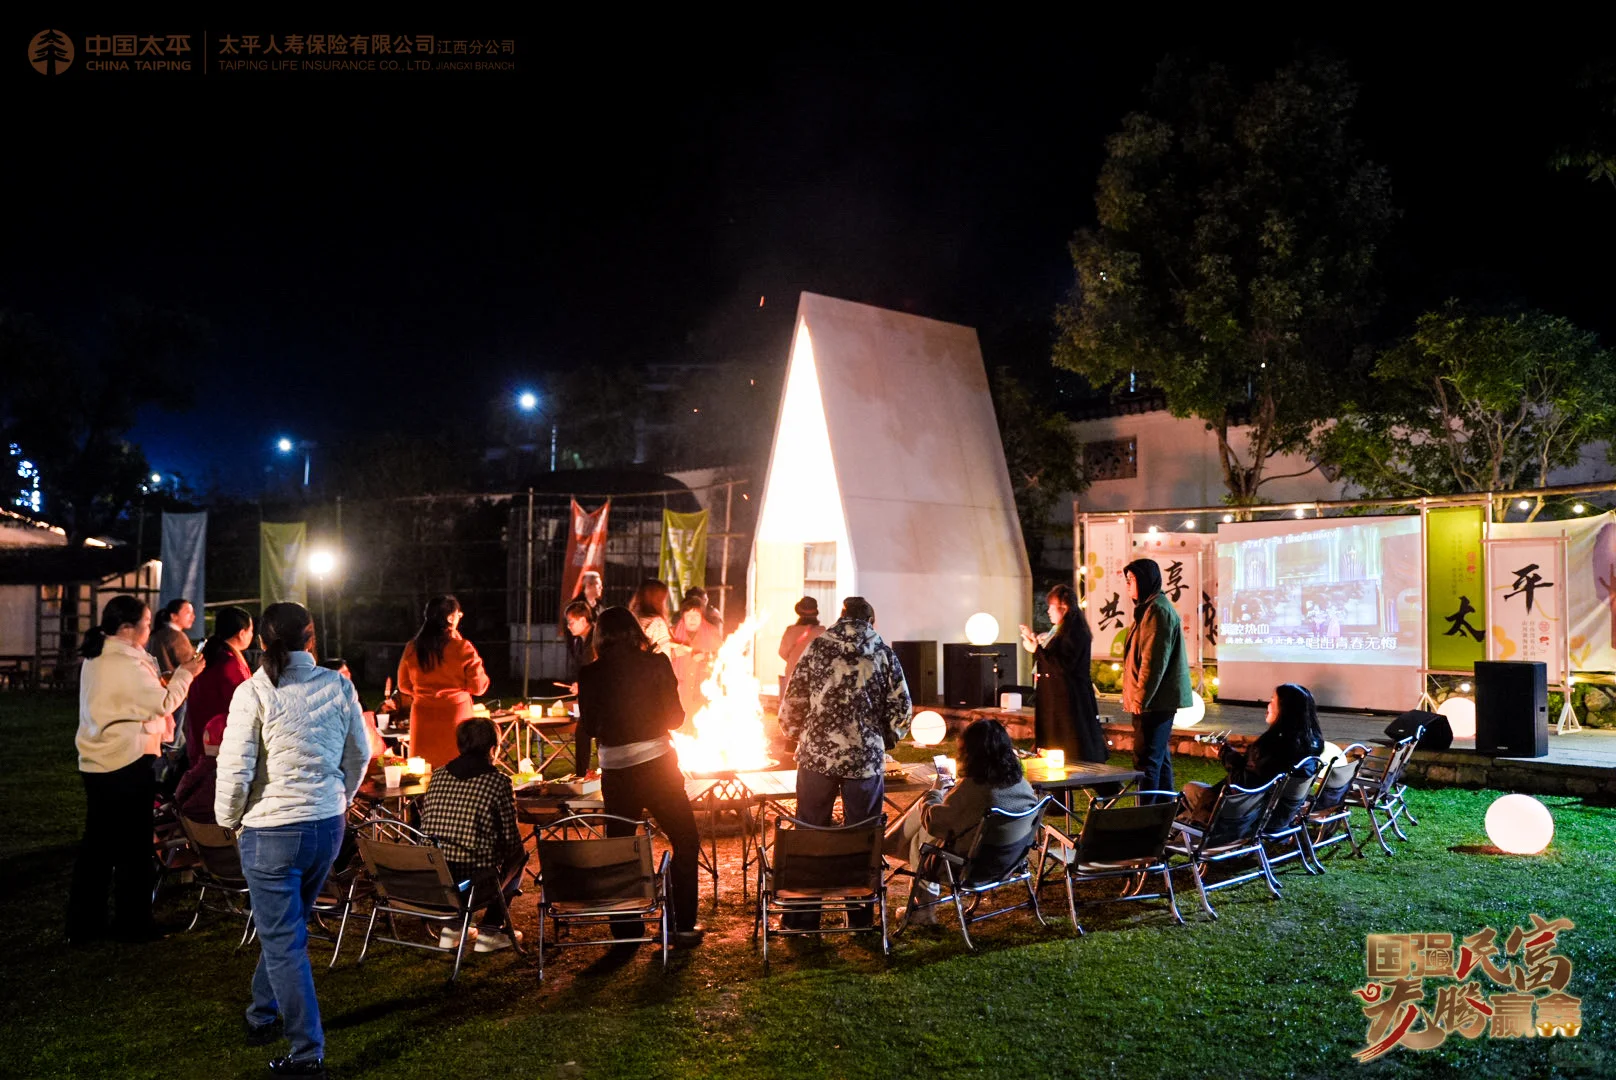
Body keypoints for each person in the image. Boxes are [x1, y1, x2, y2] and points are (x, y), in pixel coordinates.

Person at [218, 602, 370, 1080]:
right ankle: (262, 1012)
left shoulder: (255, 690)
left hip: (273, 829)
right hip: (325, 825)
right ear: (311, 638)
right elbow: (359, 754)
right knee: (287, 926)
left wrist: (229, 819)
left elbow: (236, 767)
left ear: (263, 640)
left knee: (284, 938)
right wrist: (339, 796)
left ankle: (306, 1052)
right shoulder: (337, 685)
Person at [67, 595, 206, 944]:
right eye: (146, 624)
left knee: (99, 847)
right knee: (131, 848)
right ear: (128, 628)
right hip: (123, 762)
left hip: (103, 761)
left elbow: (140, 695)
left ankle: (86, 925)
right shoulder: (120, 661)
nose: (149, 629)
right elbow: (163, 702)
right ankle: (131, 924)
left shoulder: (105, 655)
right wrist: (186, 674)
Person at [575, 607, 705, 947]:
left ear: (600, 637)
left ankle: (626, 928)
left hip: (616, 771)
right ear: (636, 632)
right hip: (657, 766)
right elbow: (675, 719)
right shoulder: (656, 663)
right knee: (685, 839)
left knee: (621, 845)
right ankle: (680, 924)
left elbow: (588, 726)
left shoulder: (590, 674)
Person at [779, 596, 911, 928]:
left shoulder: (817, 647)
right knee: (863, 834)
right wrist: (885, 737)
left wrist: (796, 733)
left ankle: (803, 916)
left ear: (841, 616)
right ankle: (860, 915)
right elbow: (901, 706)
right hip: (864, 757)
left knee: (810, 829)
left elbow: (794, 697)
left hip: (816, 754)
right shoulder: (883, 653)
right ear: (872, 620)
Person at [887, 717, 1039, 924]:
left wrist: (935, 793)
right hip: (1009, 862)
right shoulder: (1021, 784)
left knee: (920, 839)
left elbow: (934, 823)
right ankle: (887, 844)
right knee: (924, 820)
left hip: (969, 868)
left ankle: (922, 909)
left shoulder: (975, 789)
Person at [419, 717, 526, 952]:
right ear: (493, 748)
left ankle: (453, 928)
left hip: (435, 878)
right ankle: (491, 930)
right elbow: (511, 841)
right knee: (519, 856)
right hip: (474, 883)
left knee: (459, 853)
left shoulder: (438, 775)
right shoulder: (497, 782)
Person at [1180, 684, 1324, 824]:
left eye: (1273, 701)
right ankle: (1180, 827)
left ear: (1285, 709)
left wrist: (1226, 756)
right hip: (1281, 814)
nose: (1268, 706)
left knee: (1191, 789)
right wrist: (1227, 754)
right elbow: (1256, 773)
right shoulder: (1311, 745)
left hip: (1245, 817)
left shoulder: (1271, 746)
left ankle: (1180, 832)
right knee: (1195, 792)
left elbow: (1242, 786)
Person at [1121, 559, 1193, 798]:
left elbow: (1154, 662)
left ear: (1144, 580)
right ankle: (1163, 812)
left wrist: (1141, 699)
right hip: (1154, 700)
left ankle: (1148, 818)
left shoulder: (1157, 611)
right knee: (1158, 760)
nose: (1128, 585)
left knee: (1146, 762)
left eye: (1132, 580)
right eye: (1127, 580)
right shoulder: (1150, 608)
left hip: (1154, 702)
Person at [397, 595, 490, 768]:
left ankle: (425, 795)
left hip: (422, 716)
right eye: (458, 614)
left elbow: (403, 685)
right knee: (456, 767)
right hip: (455, 716)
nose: (459, 617)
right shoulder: (461, 647)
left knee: (424, 768)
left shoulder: (413, 647)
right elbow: (478, 687)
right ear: (450, 618)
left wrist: (423, 692)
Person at [1019, 584, 1106, 764]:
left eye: (1052, 606)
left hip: (1068, 702)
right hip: (1057, 700)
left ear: (1064, 607)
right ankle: (1060, 788)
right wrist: (1035, 644)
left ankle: (1104, 785)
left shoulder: (1075, 632)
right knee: (1058, 749)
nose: (1048, 611)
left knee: (1074, 749)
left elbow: (1062, 664)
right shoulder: (1062, 630)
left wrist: (1036, 649)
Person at [185, 606, 254, 767]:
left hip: (201, 740)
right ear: (241, 633)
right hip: (221, 746)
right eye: (251, 631)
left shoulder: (209, 657)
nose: (252, 636)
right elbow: (243, 707)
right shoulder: (230, 664)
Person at [671, 593, 723, 722]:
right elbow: (660, 659)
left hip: (704, 692)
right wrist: (674, 653)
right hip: (680, 693)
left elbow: (722, 658)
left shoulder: (712, 634)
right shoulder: (672, 634)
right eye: (689, 616)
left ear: (702, 617)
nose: (692, 619)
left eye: (696, 616)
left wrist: (706, 659)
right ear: (683, 617)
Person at [174, 715, 227, 824]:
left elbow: (179, 799)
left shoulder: (192, 774)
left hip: (195, 832)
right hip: (222, 833)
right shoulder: (223, 777)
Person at [776, 597, 825, 697]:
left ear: (799, 614)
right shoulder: (822, 631)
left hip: (793, 676)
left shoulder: (790, 631)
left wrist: (796, 659)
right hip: (815, 676)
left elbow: (782, 652)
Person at [629, 578, 680, 659]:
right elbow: (663, 657)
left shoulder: (631, 617)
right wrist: (675, 653)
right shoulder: (657, 623)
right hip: (649, 670)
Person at [148, 597, 198, 675]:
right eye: (188, 612)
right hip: (172, 682)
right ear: (174, 616)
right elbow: (189, 663)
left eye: (192, 613)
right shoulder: (177, 636)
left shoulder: (159, 633)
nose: (193, 616)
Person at [563, 599, 595, 691]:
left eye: (571, 623)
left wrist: (583, 685)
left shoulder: (598, 638)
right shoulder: (579, 640)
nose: (568, 627)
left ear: (583, 621)